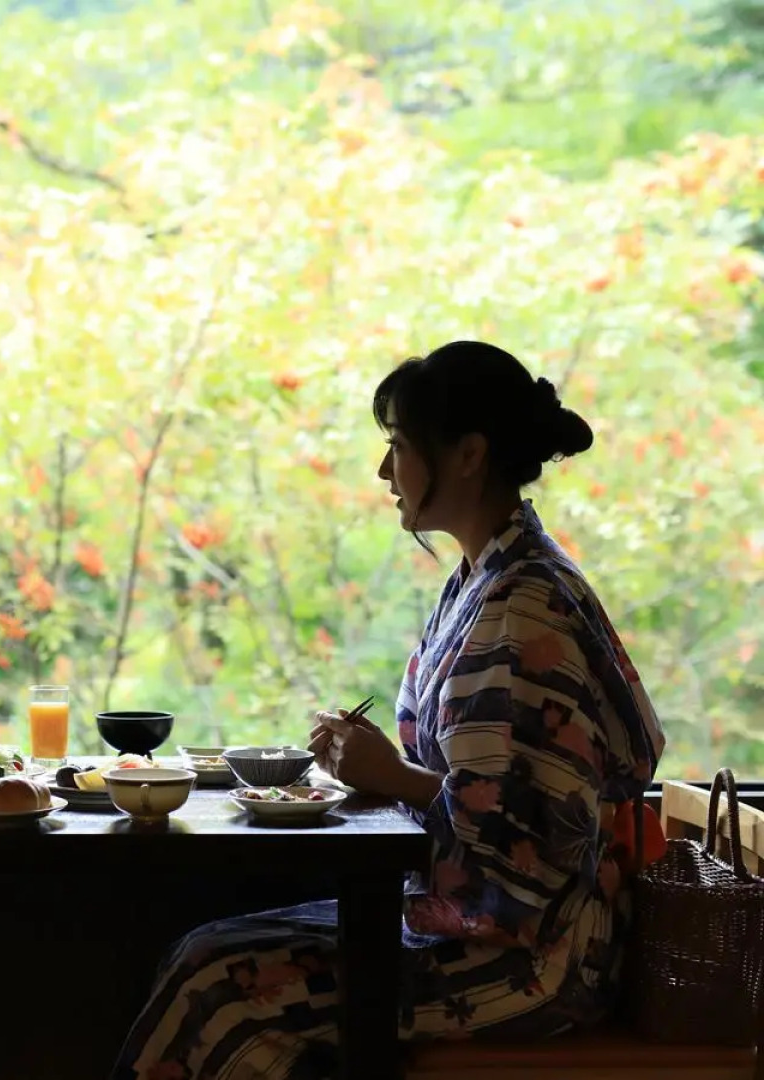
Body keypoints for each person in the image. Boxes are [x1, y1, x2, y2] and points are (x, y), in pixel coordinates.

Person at [112, 341, 667, 1079]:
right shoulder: (491, 574)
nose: (384, 472)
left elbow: (536, 839)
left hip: (537, 959)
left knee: (221, 994)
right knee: (200, 951)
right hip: (477, 921)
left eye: (399, 446)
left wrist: (398, 778)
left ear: (469, 454)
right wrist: (380, 766)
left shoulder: (525, 606)